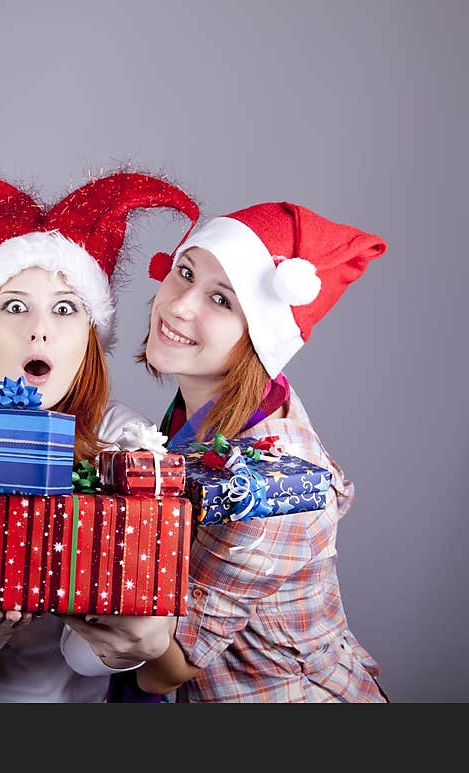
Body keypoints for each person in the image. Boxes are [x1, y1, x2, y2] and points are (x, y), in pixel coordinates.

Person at [0, 160, 199, 701]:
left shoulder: (126, 439)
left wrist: (143, 636)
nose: (39, 328)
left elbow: (97, 656)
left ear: (90, 337)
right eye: (15, 306)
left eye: (65, 309)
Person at [131, 200, 389, 702]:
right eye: (185, 272)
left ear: (262, 339)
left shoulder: (271, 482)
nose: (180, 305)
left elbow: (164, 669)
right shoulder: (208, 409)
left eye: (222, 300)